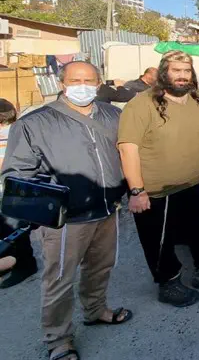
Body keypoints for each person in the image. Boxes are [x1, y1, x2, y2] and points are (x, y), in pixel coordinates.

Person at [1, 61, 132, 360]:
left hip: (107, 210)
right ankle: (58, 339)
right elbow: (16, 173)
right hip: (65, 221)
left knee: (100, 267)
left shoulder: (114, 115)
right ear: (62, 83)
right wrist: (53, 199)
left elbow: (127, 152)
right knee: (59, 280)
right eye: (75, 80)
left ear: (98, 83)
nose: (82, 86)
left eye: (89, 80)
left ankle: (96, 310)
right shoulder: (34, 123)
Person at [118, 50, 199, 307]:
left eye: (186, 71)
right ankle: (169, 283)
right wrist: (136, 190)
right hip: (159, 190)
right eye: (176, 71)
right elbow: (127, 148)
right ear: (164, 72)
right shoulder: (140, 105)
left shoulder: (197, 97)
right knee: (160, 241)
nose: (182, 76)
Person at [0, 98, 38, 289]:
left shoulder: (8, 135)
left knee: (13, 232)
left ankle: (24, 264)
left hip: (9, 194)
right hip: (16, 192)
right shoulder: (21, 129)